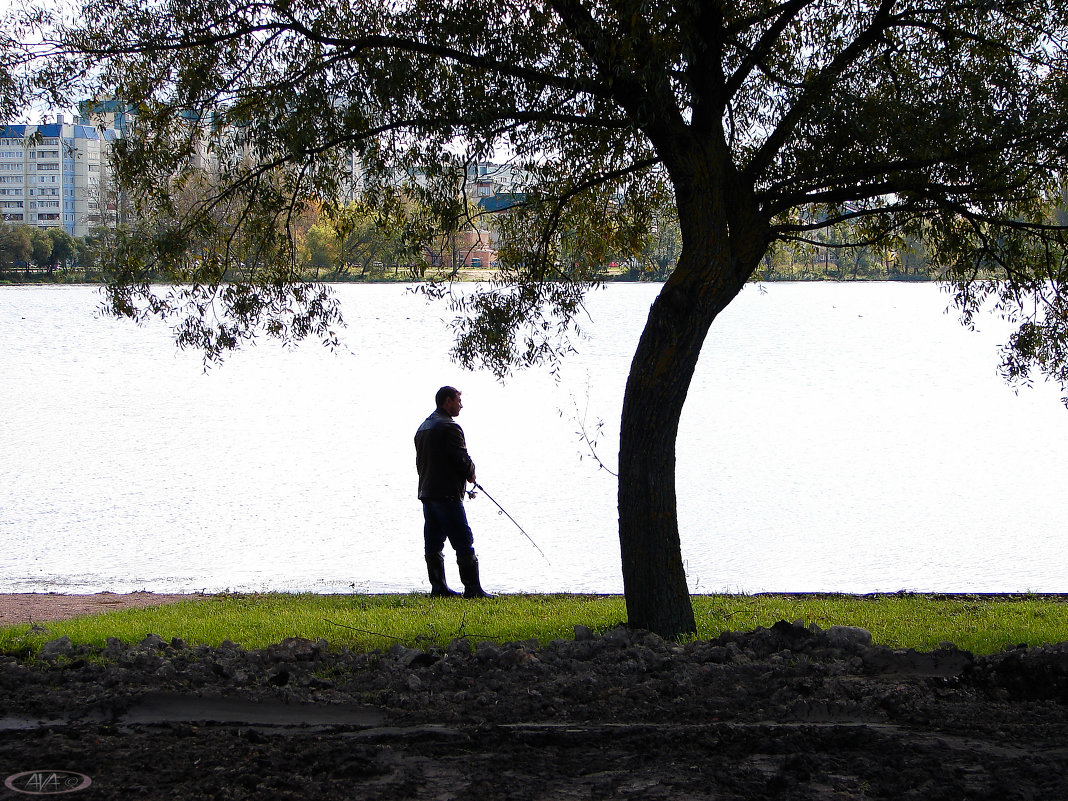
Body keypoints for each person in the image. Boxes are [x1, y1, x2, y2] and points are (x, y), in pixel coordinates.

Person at [414, 386, 494, 599]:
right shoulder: (450, 427)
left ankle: (438, 588)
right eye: (458, 400)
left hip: (427, 493)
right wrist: (471, 473)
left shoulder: (423, 427)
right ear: (447, 401)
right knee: (463, 539)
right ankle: (472, 589)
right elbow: (461, 458)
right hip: (447, 493)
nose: (461, 405)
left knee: (433, 540)